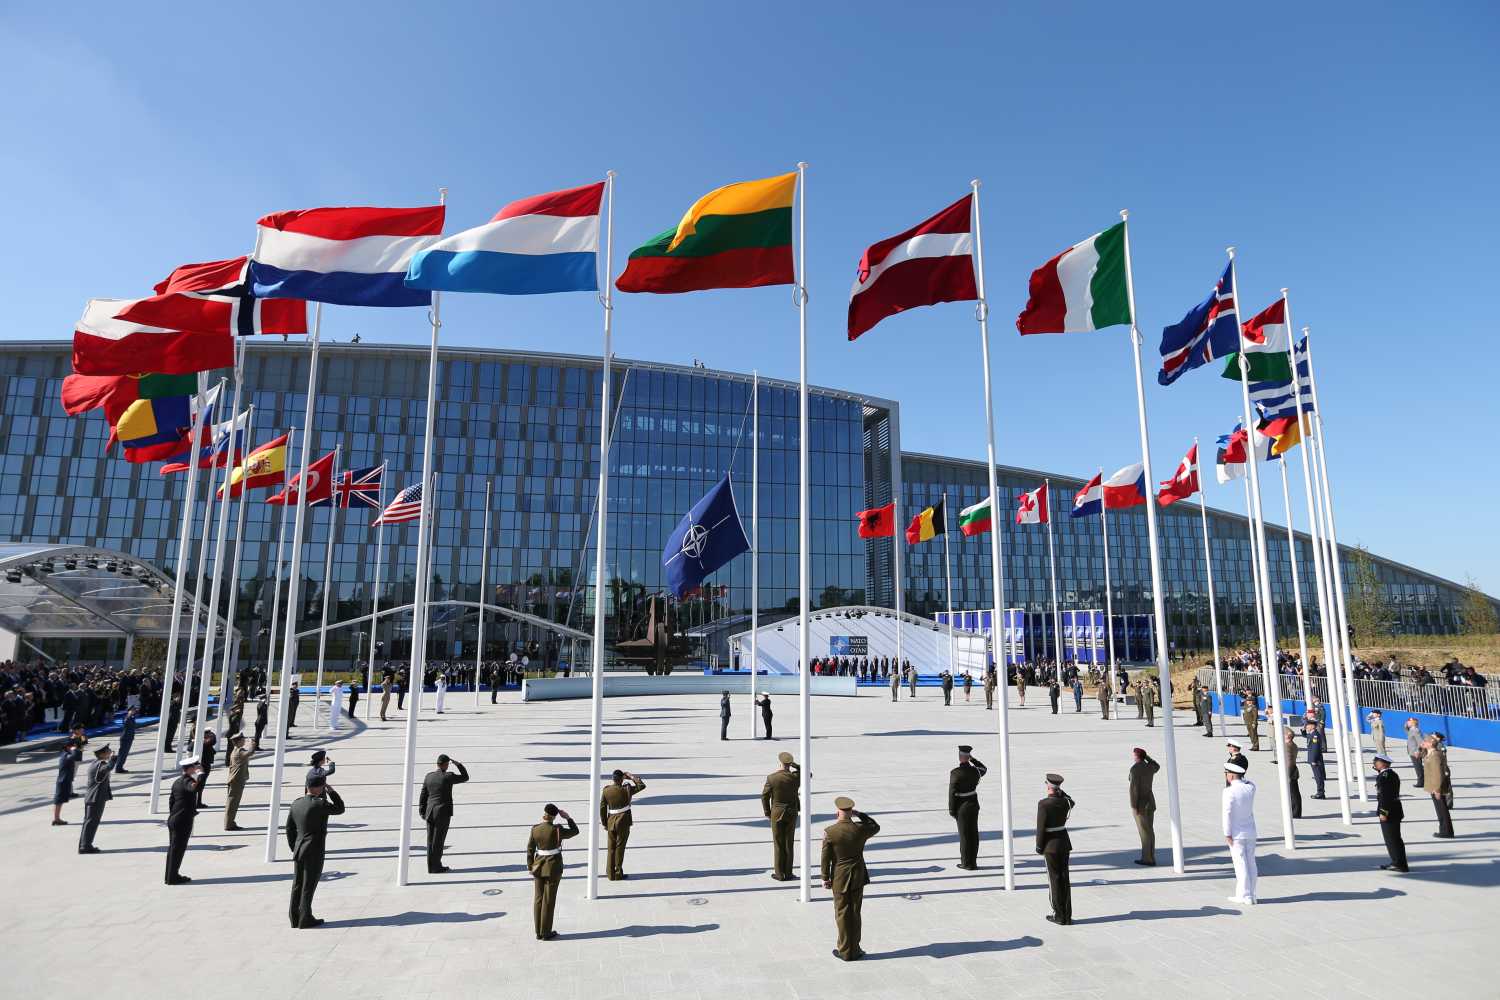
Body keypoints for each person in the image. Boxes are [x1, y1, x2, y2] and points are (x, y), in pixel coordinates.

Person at [821, 796, 879, 961]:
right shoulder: (860, 829)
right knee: (855, 912)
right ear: (851, 812)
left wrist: (825, 877)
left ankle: (845, 950)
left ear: (837, 812)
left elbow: (825, 858)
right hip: (858, 875)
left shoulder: (830, 832)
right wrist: (860, 814)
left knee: (842, 914)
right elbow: (875, 826)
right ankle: (855, 948)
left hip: (840, 877)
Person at [285, 772, 346, 928]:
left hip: (299, 849)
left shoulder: (296, 803)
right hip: (314, 850)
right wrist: (331, 792)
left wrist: (295, 846)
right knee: (309, 884)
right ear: (320, 787)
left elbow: (289, 829)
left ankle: (294, 916)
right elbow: (340, 809)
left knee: (297, 884)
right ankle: (305, 918)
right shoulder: (320, 804)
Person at [526, 804, 578, 940]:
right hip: (553, 867)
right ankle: (546, 932)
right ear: (554, 816)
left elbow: (530, 849)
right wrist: (568, 818)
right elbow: (575, 831)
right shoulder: (557, 829)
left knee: (538, 899)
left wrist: (530, 867)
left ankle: (538, 931)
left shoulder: (535, 829)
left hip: (538, 866)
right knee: (548, 900)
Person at [418, 753, 470, 873]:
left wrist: (422, 811)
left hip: (430, 812)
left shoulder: (428, 776)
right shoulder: (448, 776)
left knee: (430, 841)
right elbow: (465, 777)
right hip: (442, 812)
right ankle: (436, 867)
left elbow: (423, 795)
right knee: (439, 840)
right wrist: (458, 764)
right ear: (446, 765)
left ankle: (431, 866)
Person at [1036, 773, 1074, 925]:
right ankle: (1067, 915)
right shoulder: (1065, 802)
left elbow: (1040, 828)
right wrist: (1060, 791)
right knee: (1065, 879)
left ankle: (1058, 915)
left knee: (1054, 881)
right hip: (1064, 843)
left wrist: (1039, 846)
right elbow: (1072, 800)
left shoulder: (1043, 804)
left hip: (1050, 845)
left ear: (1048, 786)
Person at [599, 769, 646, 880]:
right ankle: (618, 873)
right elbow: (641, 786)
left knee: (611, 848)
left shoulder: (606, 790)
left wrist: (605, 823)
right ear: (622, 779)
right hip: (623, 822)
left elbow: (602, 808)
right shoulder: (627, 789)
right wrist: (631, 776)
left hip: (611, 821)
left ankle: (610, 873)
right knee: (620, 848)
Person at [165, 756, 205, 884]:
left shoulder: (177, 781)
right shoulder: (187, 781)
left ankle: (170, 876)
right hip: (182, 820)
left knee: (173, 849)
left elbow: (171, 801)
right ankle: (173, 877)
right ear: (191, 768)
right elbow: (195, 788)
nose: (198, 767)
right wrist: (201, 774)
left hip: (174, 819)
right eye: (196, 766)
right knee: (178, 850)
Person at [1222, 761, 1257, 904]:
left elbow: (1227, 813)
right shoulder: (1251, 788)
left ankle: (1244, 895)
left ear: (1230, 776)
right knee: (1251, 863)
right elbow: (1249, 782)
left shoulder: (1228, 791)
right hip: (1250, 831)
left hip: (1236, 833)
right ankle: (1252, 895)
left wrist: (1227, 833)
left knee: (1240, 864)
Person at [762, 751, 800, 880]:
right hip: (791, 811)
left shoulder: (772, 778)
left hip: (776, 812)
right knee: (789, 843)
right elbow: (808, 774)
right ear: (790, 764)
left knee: (778, 843)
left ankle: (779, 873)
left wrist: (767, 812)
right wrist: (796, 766)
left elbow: (764, 796)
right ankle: (788, 872)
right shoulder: (796, 777)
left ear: (780, 763)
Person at [948, 745, 986, 870]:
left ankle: (966, 863)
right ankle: (973, 862)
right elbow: (984, 768)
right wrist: (973, 760)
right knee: (973, 834)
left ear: (959, 757)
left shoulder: (955, 773)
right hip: (973, 804)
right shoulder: (976, 771)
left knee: (964, 836)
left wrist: (952, 810)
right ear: (968, 757)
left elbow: (952, 793)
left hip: (961, 806)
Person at [1373, 753, 1408, 871]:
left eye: (1376, 761)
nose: (1374, 764)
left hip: (1389, 811)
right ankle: (1398, 862)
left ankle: (1398, 863)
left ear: (1382, 763)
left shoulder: (1385, 776)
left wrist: (1383, 812)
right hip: (1395, 809)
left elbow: (1385, 796)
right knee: (1395, 838)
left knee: (1392, 839)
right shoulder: (1390, 774)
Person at [78, 744, 113, 853]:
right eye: (108, 751)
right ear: (102, 754)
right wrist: (114, 759)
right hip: (96, 797)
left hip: (93, 797)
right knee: (92, 822)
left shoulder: (95, 763)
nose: (110, 752)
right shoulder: (100, 765)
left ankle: (84, 844)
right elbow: (107, 768)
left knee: (89, 822)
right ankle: (85, 846)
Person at [1128, 748, 1159, 866]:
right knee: (1150, 831)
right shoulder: (1149, 767)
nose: (1133, 757)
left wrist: (1133, 806)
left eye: (1134, 755)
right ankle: (1151, 856)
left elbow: (1134, 789)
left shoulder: (1135, 769)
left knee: (1144, 832)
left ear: (1137, 756)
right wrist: (1147, 758)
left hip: (1140, 805)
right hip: (1150, 802)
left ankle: (1147, 858)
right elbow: (1157, 765)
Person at [1423, 734, 1454, 838]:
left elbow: (1438, 774)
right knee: (1440, 809)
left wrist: (1437, 789)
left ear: (1431, 743)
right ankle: (1444, 829)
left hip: (1436, 787)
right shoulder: (1431, 753)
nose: (1423, 743)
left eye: (1425, 741)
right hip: (1433, 786)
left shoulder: (1435, 755)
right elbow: (1420, 755)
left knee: (1442, 810)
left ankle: (1446, 831)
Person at [223, 732, 252, 830]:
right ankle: (229, 824)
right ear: (238, 742)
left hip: (235, 780)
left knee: (232, 803)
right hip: (236, 780)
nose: (244, 741)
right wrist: (253, 744)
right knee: (232, 804)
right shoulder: (239, 751)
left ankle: (230, 823)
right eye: (242, 739)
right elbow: (250, 753)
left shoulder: (235, 751)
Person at [51, 737, 81, 826]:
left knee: (60, 800)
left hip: (64, 780)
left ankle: (57, 818)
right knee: (59, 800)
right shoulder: (66, 755)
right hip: (63, 781)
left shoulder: (65, 753)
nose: (75, 747)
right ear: (68, 747)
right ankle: (56, 819)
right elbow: (74, 756)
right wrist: (74, 750)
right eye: (73, 746)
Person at [1304, 720, 1326, 799]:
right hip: (1314, 759)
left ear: (1312, 726)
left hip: (1316, 760)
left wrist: (1313, 760)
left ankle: (1320, 793)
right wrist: (1303, 730)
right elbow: (1306, 736)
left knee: (1318, 777)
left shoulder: (1315, 735)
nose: (1306, 726)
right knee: (1317, 776)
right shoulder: (1311, 734)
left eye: (1308, 725)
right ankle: (1320, 792)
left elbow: (1315, 748)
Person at [1284, 728, 1302, 819]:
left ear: (1287, 736)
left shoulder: (1288, 746)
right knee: (1294, 791)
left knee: (1293, 792)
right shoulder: (1292, 745)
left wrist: (1287, 772)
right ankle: (1295, 811)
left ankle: (1295, 812)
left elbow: (1289, 761)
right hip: (1292, 769)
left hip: (1289, 770)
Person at [114, 707, 137, 773]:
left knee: (125, 754)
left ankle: (120, 767)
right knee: (122, 754)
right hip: (125, 738)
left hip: (129, 738)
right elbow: (125, 722)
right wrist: (129, 715)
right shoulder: (127, 717)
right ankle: (118, 768)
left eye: (134, 710)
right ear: (129, 711)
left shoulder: (132, 717)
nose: (134, 711)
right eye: (132, 710)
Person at [1404, 718, 1424, 788]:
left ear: (1413, 723)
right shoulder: (1411, 730)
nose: (1407, 723)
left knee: (1418, 767)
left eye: (1409, 722)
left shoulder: (1415, 730)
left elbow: (1420, 742)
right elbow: (1407, 731)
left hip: (1415, 752)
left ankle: (1421, 782)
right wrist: (1406, 725)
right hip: (1412, 751)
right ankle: (1421, 781)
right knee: (1417, 767)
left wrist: (1418, 751)